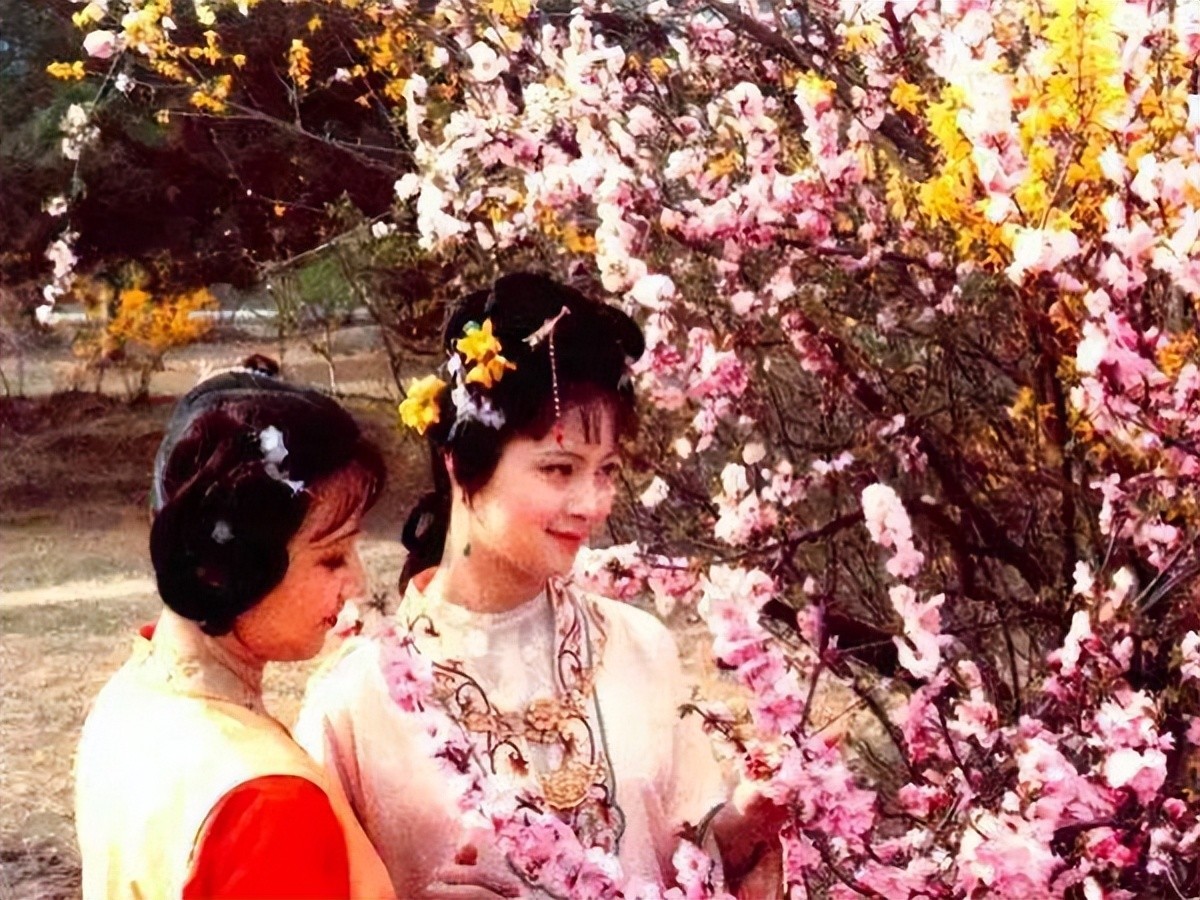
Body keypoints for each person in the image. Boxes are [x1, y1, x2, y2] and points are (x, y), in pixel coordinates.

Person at [296, 274, 776, 898]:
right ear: (461, 464)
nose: (592, 503)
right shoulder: (356, 702)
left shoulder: (639, 647)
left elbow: (688, 852)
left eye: (606, 471)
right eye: (559, 469)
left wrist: (746, 826)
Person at [74, 358, 396, 900]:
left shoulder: (132, 696)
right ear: (227, 566)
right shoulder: (267, 801)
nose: (357, 583)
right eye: (332, 558)